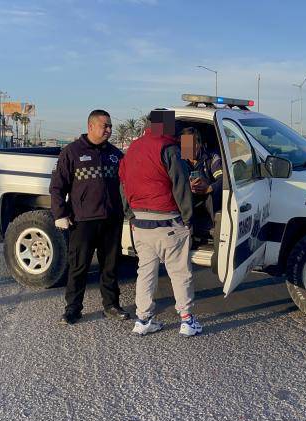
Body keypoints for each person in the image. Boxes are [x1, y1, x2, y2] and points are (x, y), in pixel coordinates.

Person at [119, 110, 203, 337]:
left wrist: (131, 216)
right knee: (179, 272)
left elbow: (123, 185)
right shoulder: (169, 149)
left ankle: (143, 319)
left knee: (145, 272)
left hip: (141, 223)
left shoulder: (132, 149)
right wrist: (188, 219)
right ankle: (187, 320)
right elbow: (181, 185)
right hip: (168, 222)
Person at [49, 109, 130, 325]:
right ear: (91, 127)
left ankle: (111, 305)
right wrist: (60, 214)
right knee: (79, 266)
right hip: (83, 221)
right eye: (105, 126)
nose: (109, 130)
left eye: (110, 126)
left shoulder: (115, 154)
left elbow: (128, 182)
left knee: (110, 266)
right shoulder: (72, 152)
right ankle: (73, 308)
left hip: (111, 219)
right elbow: (57, 186)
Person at [180, 127, 223, 241]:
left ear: (200, 144)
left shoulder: (211, 158)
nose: (189, 148)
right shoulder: (178, 159)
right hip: (186, 205)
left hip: (207, 204)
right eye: (186, 144)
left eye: (193, 144)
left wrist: (209, 188)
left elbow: (222, 179)